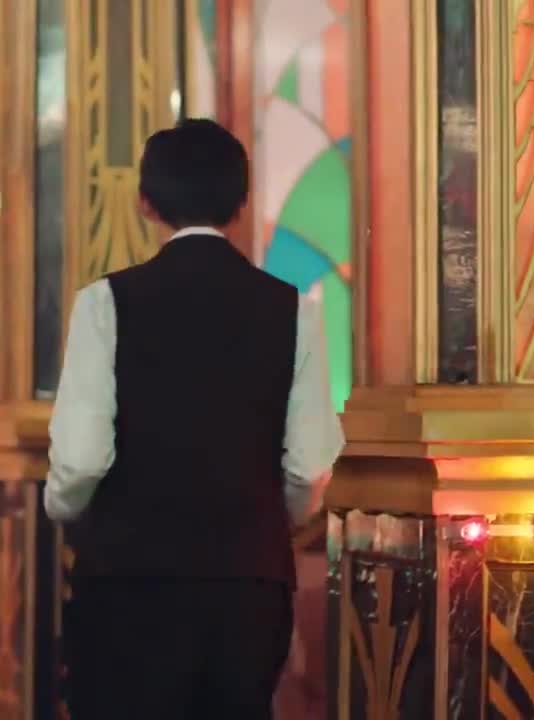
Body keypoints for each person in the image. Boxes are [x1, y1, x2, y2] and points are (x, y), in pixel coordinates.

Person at [45, 118, 345, 719]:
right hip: (249, 584)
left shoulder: (105, 302)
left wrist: (66, 508)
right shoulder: (294, 309)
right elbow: (311, 463)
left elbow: (81, 458)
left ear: (145, 202)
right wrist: (267, 521)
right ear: (242, 202)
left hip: (129, 578)